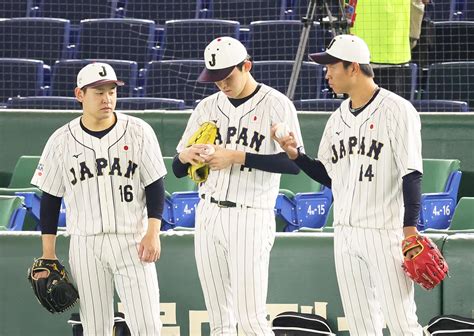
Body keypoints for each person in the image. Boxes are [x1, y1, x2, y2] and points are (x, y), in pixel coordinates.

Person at [273, 34, 424, 335]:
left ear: (353, 67)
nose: (326, 73)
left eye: (331, 66)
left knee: (402, 323)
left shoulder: (398, 110)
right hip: (345, 233)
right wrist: (296, 156)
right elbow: (331, 177)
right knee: (361, 327)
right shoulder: (336, 119)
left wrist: (410, 230)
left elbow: (412, 173)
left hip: (386, 233)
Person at [172, 36, 303, 335]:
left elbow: (293, 163)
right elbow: (178, 169)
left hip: (251, 215)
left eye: (228, 76)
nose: (222, 84)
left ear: (247, 66)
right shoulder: (206, 107)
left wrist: (236, 156)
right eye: (215, 79)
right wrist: (186, 155)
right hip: (208, 214)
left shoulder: (276, 104)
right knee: (219, 322)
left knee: (250, 320)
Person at [31, 62, 165, 335]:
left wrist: (153, 232)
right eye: (98, 92)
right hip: (86, 244)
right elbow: (50, 199)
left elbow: (154, 184)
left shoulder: (139, 131)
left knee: (148, 326)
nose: (107, 98)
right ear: (79, 94)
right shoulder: (61, 141)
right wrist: (48, 253)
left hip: (132, 241)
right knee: (95, 328)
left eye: (111, 91)